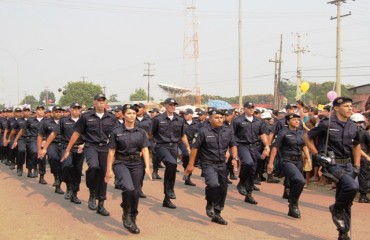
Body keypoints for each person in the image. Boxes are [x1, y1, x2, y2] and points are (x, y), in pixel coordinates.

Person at [305, 97, 360, 240]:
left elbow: (357, 145)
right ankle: (335, 208)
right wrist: (317, 155)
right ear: (336, 108)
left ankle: (343, 233)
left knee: (347, 199)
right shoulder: (326, 124)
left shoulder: (353, 126)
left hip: (348, 164)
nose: (350, 108)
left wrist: (357, 165)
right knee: (351, 186)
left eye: (351, 106)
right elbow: (307, 138)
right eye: (346, 106)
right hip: (332, 164)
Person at [62, 93, 118, 216]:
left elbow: (117, 134)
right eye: (99, 100)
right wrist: (67, 150)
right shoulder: (86, 117)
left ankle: (101, 204)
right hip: (91, 146)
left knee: (104, 174)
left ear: (105, 102)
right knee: (93, 166)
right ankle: (92, 192)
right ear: (94, 102)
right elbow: (76, 134)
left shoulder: (111, 117)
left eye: (103, 100)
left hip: (105, 148)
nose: (101, 102)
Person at [185, 109, 238, 225]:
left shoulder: (228, 131)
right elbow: (195, 148)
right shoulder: (203, 131)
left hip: (222, 164)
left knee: (223, 189)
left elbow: (233, 145)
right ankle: (210, 203)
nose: (220, 120)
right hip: (207, 163)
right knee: (213, 184)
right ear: (210, 119)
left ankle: (217, 213)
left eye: (221, 117)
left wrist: (235, 158)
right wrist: (190, 164)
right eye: (217, 117)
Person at [105, 104, 152, 234]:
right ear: (124, 115)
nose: (131, 116)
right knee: (128, 188)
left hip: (137, 163)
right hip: (121, 163)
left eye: (134, 113)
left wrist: (147, 167)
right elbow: (111, 151)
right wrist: (108, 170)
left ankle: (133, 216)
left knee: (136, 192)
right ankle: (126, 212)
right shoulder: (116, 131)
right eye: (129, 113)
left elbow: (145, 149)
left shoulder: (141, 132)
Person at [149, 97, 190, 209]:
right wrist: (152, 146)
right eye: (171, 105)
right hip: (162, 146)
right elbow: (150, 134)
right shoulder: (158, 119)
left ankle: (167, 199)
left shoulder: (179, 120)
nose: (173, 107)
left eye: (174, 105)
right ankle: (169, 189)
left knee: (172, 168)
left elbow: (182, 135)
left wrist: (188, 148)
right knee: (172, 163)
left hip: (174, 147)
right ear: (166, 106)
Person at [267, 113, 310, 218]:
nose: (296, 121)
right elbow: (275, 148)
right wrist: (270, 163)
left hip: (298, 161)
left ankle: (292, 203)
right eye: (294, 120)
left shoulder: (301, 133)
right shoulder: (283, 133)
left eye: (298, 120)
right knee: (300, 180)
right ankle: (293, 203)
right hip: (286, 161)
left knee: (297, 183)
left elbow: (304, 146)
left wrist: (308, 158)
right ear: (288, 121)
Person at [41, 102, 85, 203]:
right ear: (70, 109)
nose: (76, 110)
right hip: (66, 148)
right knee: (66, 166)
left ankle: (74, 194)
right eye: (74, 108)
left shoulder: (84, 120)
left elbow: (90, 134)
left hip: (80, 148)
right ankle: (68, 185)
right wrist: (45, 148)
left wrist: (84, 144)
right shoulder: (63, 120)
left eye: (78, 108)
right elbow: (53, 134)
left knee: (77, 171)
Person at [233, 101, 270, 204]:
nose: (251, 109)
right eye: (249, 107)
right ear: (244, 108)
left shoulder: (258, 121)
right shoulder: (238, 120)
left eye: (252, 107)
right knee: (248, 163)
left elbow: (262, 134)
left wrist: (266, 146)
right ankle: (241, 182)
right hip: (242, 145)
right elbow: (232, 135)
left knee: (253, 169)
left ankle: (249, 194)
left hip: (254, 146)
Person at [37, 105, 64, 193]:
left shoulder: (65, 121)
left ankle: (58, 185)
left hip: (64, 145)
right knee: (52, 158)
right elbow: (40, 135)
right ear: (52, 113)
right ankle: (56, 178)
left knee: (64, 165)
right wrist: (40, 149)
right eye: (56, 111)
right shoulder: (46, 122)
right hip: (52, 144)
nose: (58, 113)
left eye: (60, 112)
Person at [349, 113, 370, 203]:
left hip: (351, 156)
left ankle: (349, 193)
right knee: (362, 175)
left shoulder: (348, 132)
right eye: (359, 122)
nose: (360, 124)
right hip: (362, 156)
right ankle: (363, 195)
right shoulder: (364, 132)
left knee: (351, 174)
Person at [180, 108, 199, 186]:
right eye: (184, 114)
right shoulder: (181, 123)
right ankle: (186, 171)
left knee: (192, 160)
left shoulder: (197, 123)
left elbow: (199, 133)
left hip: (194, 143)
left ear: (191, 114)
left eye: (187, 114)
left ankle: (188, 177)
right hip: (183, 143)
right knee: (187, 156)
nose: (185, 116)